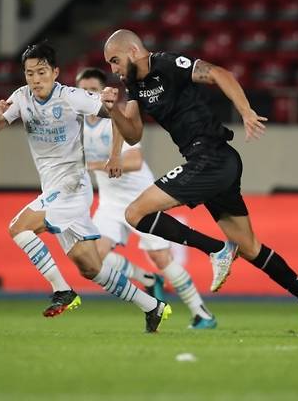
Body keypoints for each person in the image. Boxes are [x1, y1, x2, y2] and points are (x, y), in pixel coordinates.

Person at [101, 29, 298, 336]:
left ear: (133, 50)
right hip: (211, 164)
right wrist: (112, 111)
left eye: (115, 60)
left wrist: (246, 111)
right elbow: (133, 132)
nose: (113, 69)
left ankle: (215, 250)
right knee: (251, 248)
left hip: (211, 156)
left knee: (135, 213)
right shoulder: (133, 85)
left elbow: (219, 73)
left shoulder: (168, 64)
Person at [0, 41, 171, 332]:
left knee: (18, 227)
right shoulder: (20, 98)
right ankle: (153, 307)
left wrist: (115, 151)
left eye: (41, 72)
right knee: (91, 268)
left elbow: (118, 117)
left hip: (72, 185)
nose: (35, 79)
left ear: (55, 72)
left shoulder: (72, 97)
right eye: (29, 73)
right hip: (53, 189)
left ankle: (62, 290)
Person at [77, 67, 218, 329]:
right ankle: (147, 279)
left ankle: (203, 314)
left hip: (139, 198)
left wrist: (92, 164)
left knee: (162, 259)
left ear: (103, 93)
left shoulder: (117, 117)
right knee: (93, 256)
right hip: (109, 202)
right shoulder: (79, 124)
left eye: (93, 90)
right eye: (83, 91)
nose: (87, 95)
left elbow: (134, 160)